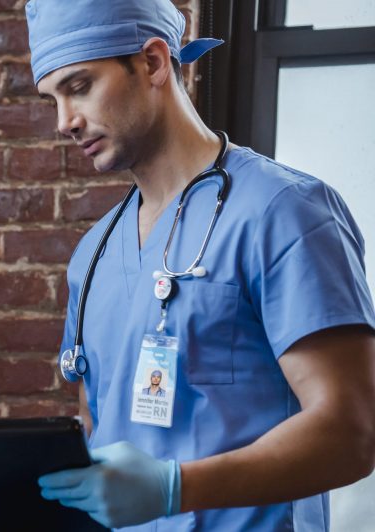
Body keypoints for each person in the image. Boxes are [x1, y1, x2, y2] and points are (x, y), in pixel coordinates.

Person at [24, 0, 375, 530]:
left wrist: (175, 490)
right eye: (51, 99)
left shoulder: (283, 212)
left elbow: (354, 431)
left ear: (154, 63)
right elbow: (99, 428)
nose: (64, 122)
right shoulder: (91, 257)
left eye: (79, 87)